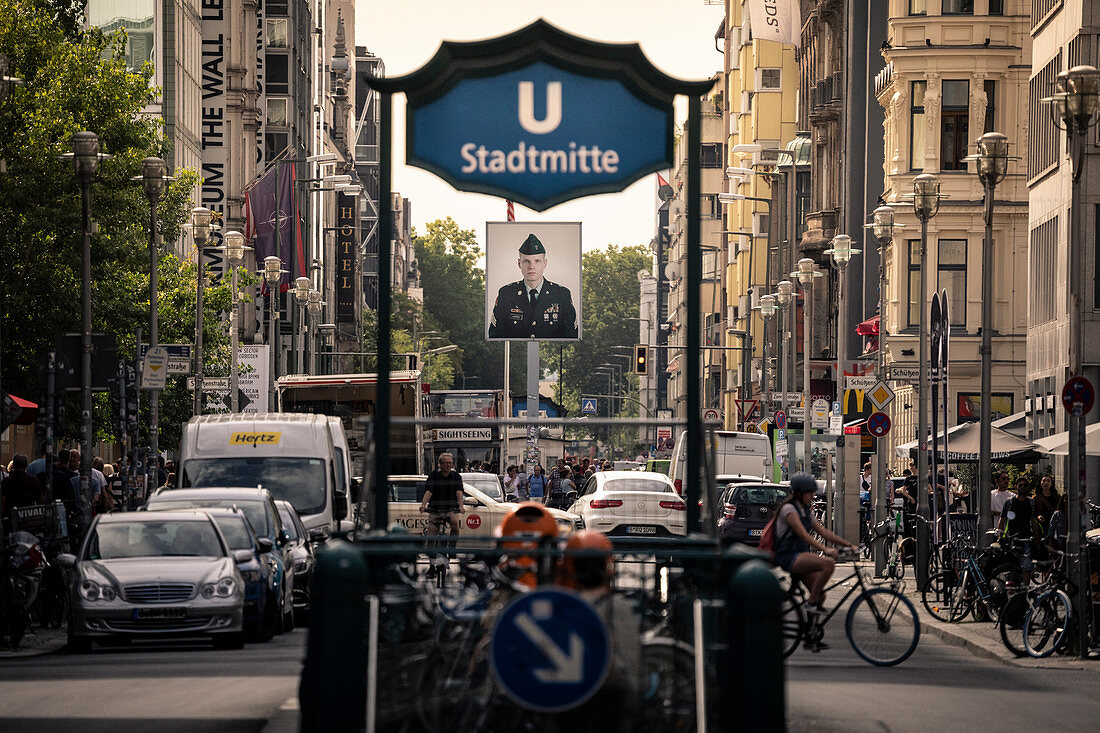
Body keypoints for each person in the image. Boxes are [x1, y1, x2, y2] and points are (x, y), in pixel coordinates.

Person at [774, 473, 856, 620]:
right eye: (810, 493)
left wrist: (849, 544)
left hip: (801, 555)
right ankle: (811, 603)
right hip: (789, 556)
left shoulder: (805, 510)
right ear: (800, 493)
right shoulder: (789, 510)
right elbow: (803, 535)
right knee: (828, 564)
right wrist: (825, 550)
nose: (813, 496)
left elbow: (823, 532)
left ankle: (811, 635)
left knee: (820, 595)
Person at [488, 233, 578, 339]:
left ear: (545, 263)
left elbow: (571, 337)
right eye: (526, 261)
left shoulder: (561, 295)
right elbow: (496, 337)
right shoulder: (506, 294)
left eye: (537, 261)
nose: (531, 267)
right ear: (519, 263)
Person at [420, 453, 464, 575]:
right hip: (435, 509)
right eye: (446, 463)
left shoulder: (456, 476)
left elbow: (459, 492)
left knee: (455, 525)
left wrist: (461, 506)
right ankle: (431, 565)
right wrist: (423, 505)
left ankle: (452, 548)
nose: (449, 465)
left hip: (450, 509)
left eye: (450, 463)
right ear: (440, 464)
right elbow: (428, 492)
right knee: (431, 537)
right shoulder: (433, 476)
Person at [999, 476, 1036, 582]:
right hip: (1011, 539)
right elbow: (1002, 520)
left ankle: (1025, 591)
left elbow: (1033, 521)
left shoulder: (1031, 502)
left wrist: (1036, 539)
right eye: (1020, 485)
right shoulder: (1009, 502)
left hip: (1026, 539)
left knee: (1026, 567)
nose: (1022, 488)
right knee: (1012, 567)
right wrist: (1000, 537)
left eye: (1025, 485)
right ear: (1016, 487)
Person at [1, 453, 44, 531]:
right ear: (26, 466)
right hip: (28, 519)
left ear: (13, 465)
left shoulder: (6, 481)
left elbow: (3, 500)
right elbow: (40, 499)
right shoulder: (33, 480)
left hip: (10, 519)